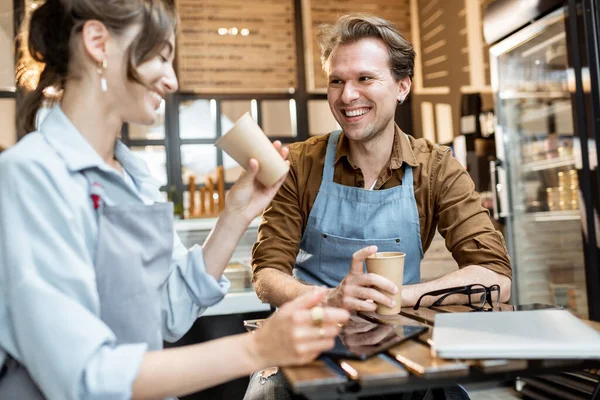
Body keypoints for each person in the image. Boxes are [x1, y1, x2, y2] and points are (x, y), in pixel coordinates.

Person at [0, 1, 350, 399]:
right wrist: (258, 347)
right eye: (161, 57)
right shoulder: (30, 175)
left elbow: (166, 312)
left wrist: (236, 214)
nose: (171, 79)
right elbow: (84, 377)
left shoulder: (132, 176)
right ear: (98, 42)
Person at [245, 13, 512, 400]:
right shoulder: (301, 163)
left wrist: (394, 297)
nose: (347, 95)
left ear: (403, 86)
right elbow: (267, 274)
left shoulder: (436, 168)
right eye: (336, 81)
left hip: (396, 339)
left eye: (365, 79)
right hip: (304, 341)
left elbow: (495, 277)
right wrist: (329, 300)